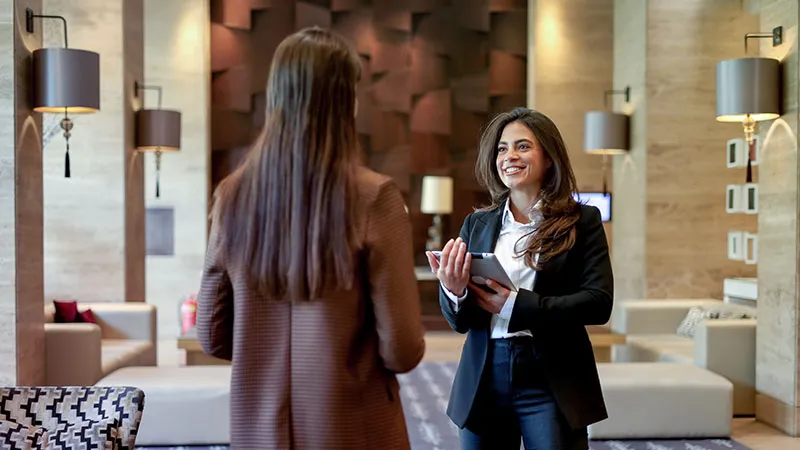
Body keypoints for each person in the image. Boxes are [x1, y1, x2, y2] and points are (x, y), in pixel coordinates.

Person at [196, 27, 426, 450]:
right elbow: (403, 350)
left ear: (276, 96)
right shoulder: (375, 196)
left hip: (259, 431)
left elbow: (211, 334)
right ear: (345, 102)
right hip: (353, 429)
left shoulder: (231, 195)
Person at [426, 107, 613, 450]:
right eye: (502, 148)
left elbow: (599, 303)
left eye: (523, 146)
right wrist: (454, 292)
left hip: (551, 376)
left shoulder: (582, 221)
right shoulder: (477, 224)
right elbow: (462, 321)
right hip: (484, 375)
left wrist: (517, 305)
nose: (509, 156)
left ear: (549, 157)